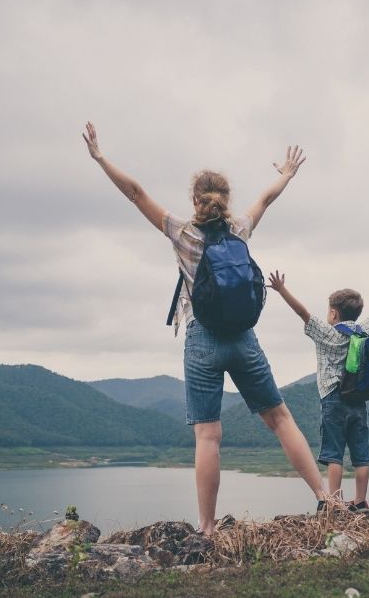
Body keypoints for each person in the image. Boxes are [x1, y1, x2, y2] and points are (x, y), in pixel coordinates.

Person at [81, 121, 326, 534]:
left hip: (202, 339)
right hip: (244, 338)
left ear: (195, 200)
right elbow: (266, 198)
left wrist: (100, 157)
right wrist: (286, 173)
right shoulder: (240, 230)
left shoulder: (183, 234)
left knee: (208, 435)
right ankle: (325, 497)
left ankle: (208, 528)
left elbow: (136, 193)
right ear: (226, 200)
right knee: (281, 418)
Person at [266, 271, 369, 510]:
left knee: (334, 454)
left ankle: (335, 502)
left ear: (334, 313)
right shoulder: (362, 330)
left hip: (332, 399)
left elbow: (302, 313)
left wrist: (282, 289)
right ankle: (360, 501)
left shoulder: (327, 333)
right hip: (358, 398)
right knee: (361, 455)